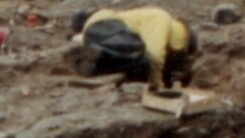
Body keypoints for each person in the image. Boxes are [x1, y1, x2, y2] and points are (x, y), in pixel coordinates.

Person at [69, 6, 198, 88]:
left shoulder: (154, 25)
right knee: (143, 58)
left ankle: (95, 66)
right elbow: (155, 54)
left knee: (136, 62)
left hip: (100, 33)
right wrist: (156, 85)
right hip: (105, 25)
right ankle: (94, 59)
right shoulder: (161, 18)